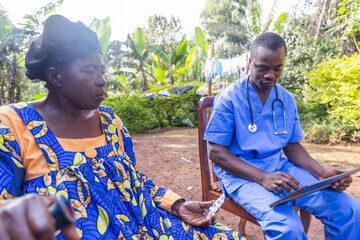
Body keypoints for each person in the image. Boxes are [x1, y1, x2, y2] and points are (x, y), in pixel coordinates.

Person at [0, 15, 244, 240]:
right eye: (88, 70)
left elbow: (132, 181)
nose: (101, 80)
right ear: (55, 76)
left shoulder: (110, 122)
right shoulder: (13, 125)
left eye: (101, 70)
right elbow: (7, 213)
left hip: (148, 226)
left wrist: (176, 204)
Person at [204, 32, 360, 240]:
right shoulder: (229, 98)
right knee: (288, 228)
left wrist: (321, 173)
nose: (270, 75)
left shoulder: (286, 98)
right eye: (263, 68)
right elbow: (216, 152)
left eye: (278, 68)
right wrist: (261, 177)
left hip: (280, 169)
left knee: (348, 210)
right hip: (241, 176)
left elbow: (292, 146)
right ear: (250, 63)